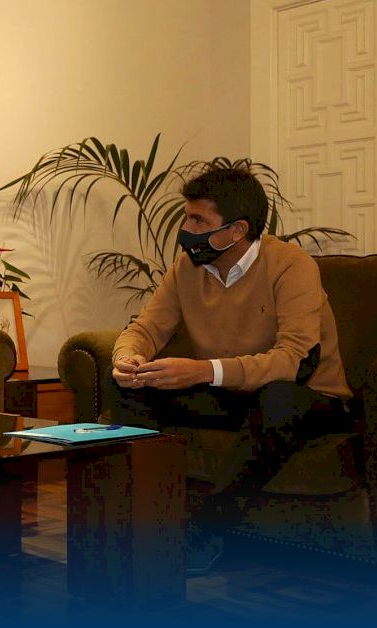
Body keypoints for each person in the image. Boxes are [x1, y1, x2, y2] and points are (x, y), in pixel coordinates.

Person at [109, 165, 351, 574]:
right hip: (231, 394)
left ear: (238, 230)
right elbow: (146, 328)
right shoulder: (186, 268)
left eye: (198, 220)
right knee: (130, 385)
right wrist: (128, 358)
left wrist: (204, 371)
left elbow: (294, 360)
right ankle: (144, 522)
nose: (185, 230)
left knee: (278, 398)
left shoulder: (292, 266)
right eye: (186, 217)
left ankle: (206, 532)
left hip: (309, 397)